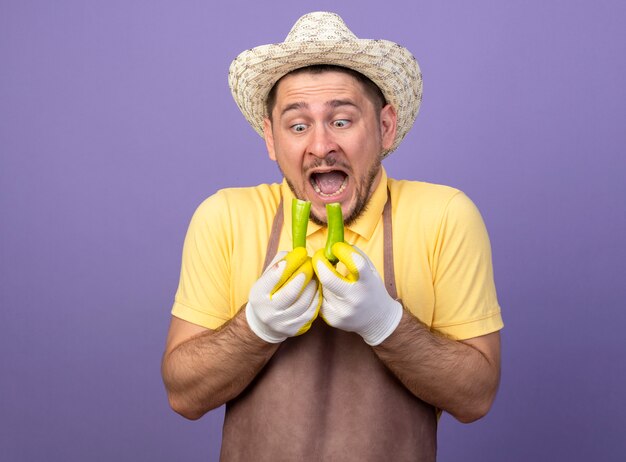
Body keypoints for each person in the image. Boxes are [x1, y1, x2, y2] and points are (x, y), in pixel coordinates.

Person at [162, 11, 503, 461]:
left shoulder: (443, 216)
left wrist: (387, 324)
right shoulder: (224, 217)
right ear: (270, 138)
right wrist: (255, 328)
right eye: (298, 126)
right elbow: (183, 396)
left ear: (384, 127)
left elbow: (476, 397)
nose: (321, 146)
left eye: (341, 120)